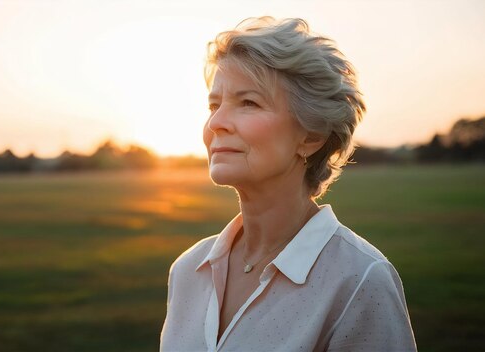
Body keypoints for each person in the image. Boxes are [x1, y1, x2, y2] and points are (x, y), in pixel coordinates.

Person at [160, 17, 417, 352]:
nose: (217, 122)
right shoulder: (187, 271)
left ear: (311, 135)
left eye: (248, 102)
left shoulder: (360, 280)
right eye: (214, 105)